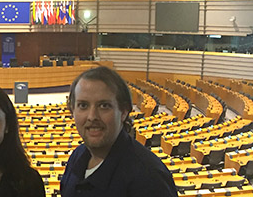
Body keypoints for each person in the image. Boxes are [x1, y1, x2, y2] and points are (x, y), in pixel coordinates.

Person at [60, 67, 177, 196]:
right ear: (72, 111)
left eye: (104, 106)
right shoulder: (77, 157)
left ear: (124, 111)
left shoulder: (150, 179)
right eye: (83, 105)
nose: (92, 116)